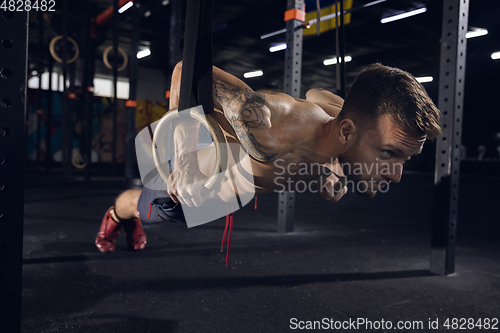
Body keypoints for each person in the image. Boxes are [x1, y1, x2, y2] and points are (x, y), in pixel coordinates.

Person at [95, 62, 441, 253]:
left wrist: (335, 164)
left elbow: (317, 93)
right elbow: (185, 69)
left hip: (240, 189)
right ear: (348, 132)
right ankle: (116, 215)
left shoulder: (342, 124)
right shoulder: (270, 127)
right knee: (150, 209)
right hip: (192, 171)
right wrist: (184, 159)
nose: (396, 175)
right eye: (390, 154)